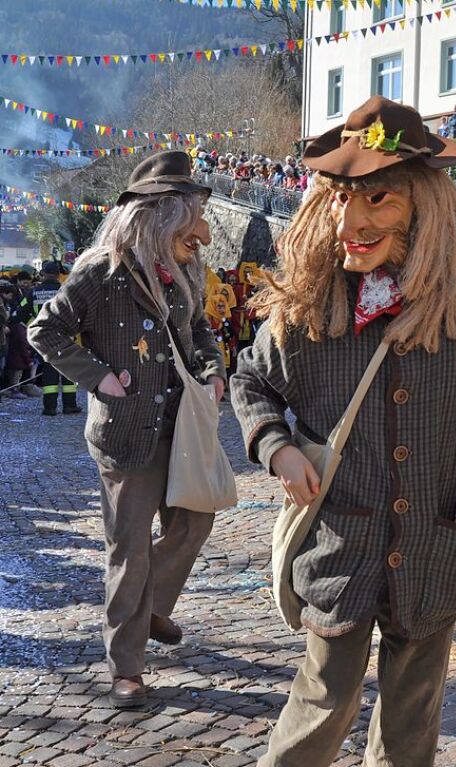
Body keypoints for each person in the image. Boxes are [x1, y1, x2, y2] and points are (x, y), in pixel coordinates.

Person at [230, 96, 456, 766]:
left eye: (379, 200)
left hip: (435, 546)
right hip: (340, 543)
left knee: (412, 716)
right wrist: (275, 447)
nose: (351, 222)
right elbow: (250, 380)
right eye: (339, 201)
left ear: (422, 203)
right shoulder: (310, 308)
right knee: (323, 696)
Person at [28, 150, 226, 709]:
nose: (198, 232)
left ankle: (152, 603)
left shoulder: (187, 267)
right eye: (188, 217)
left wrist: (213, 372)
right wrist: (99, 380)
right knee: (128, 550)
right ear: (158, 215)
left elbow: (201, 330)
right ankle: (127, 666)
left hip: (181, 424)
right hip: (124, 436)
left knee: (195, 522)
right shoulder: (100, 270)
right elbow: (45, 331)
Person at [31, 260, 81, 415]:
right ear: (59, 275)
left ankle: (50, 408)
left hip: (44, 337)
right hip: (66, 336)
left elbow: (21, 312)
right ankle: (69, 405)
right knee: (68, 371)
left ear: (43, 274)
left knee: (49, 372)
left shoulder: (34, 292)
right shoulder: (66, 290)